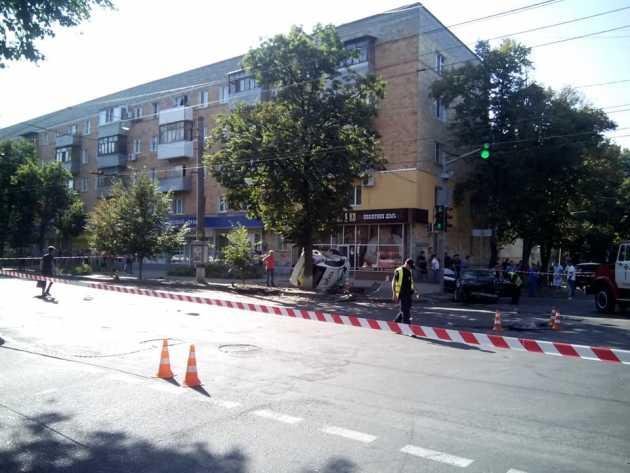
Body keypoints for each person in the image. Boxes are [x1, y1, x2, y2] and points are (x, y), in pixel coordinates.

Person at [391, 258, 415, 324]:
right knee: (405, 311)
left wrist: (414, 290)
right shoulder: (399, 271)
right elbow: (393, 282)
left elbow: (410, 282)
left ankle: (395, 323)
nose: (410, 268)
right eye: (410, 266)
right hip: (402, 293)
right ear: (406, 264)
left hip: (409, 294)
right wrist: (394, 294)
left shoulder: (409, 271)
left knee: (406, 309)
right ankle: (407, 325)